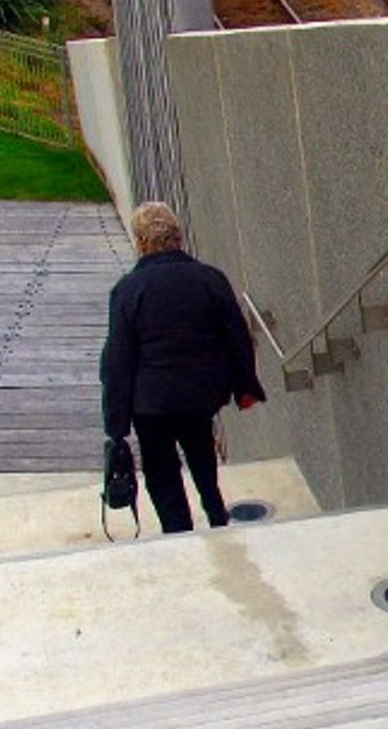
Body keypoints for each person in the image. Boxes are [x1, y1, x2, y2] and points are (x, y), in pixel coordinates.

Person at [100, 202, 266, 533]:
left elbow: (118, 361)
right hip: (200, 394)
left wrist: (116, 426)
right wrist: (244, 386)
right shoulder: (209, 279)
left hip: (151, 404)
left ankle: (178, 532)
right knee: (201, 448)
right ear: (178, 237)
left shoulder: (128, 291)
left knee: (161, 472)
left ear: (141, 242)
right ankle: (216, 514)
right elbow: (237, 336)